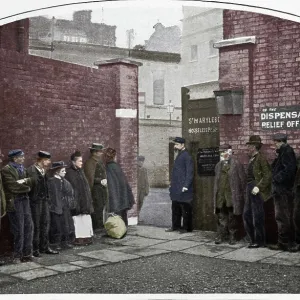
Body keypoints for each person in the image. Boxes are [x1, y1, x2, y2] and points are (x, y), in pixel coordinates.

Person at [1, 149, 34, 263]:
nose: (24, 158)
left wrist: (25, 182)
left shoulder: (22, 169)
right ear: (15, 158)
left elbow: (32, 181)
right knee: (18, 229)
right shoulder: (6, 170)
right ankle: (17, 255)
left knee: (28, 227)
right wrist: (27, 186)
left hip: (25, 200)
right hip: (15, 202)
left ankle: (27, 254)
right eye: (21, 156)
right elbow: (13, 187)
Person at [269, 133, 298, 252]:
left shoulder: (287, 151)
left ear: (281, 142)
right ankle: (283, 242)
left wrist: (276, 178)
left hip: (283, 191)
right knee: (281, 216)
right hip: (281, 191)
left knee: (282, 217)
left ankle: (286, 243)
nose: (274, 144)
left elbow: (290, 170)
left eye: (276, 142)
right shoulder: (283, 152)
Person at [27, 151, 58, 257]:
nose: (49, 162)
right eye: (48, 160)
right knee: (36, 225)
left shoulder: (44, 170)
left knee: (45, 224)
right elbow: (32, 186)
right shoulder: (32, 170)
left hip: (43, 201)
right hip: (35, 202)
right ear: (42, 160)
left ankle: (44, 247)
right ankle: (35, 249)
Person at [213, 144, 246, 245]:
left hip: (232, 196)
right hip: (221, 196)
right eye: (221, 152)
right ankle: (221, 235)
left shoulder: (236, 164)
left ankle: (233, 236)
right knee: (221, 216)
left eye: (225, 151)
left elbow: (243, 181)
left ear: (230, 152)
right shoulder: (218, 165)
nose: (223, 154)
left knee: (232, 217)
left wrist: (242, 195)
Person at [243, 136, 272, 248]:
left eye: (249, 146)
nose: (248, 148)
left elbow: (268, 175)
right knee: (247, 215)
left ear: (254, 147)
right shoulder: (252, 158)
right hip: (249, 188)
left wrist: (258, 187)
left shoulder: (261, 158)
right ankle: (252, 239)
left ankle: (259, 241)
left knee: (257, 216)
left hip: (256, 189)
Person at [65, 150, 94, 245]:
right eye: (80, 161)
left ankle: (86, 237)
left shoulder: (81, 172)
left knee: (85, 219)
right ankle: (78, 239)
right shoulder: (70, 173)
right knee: (77, 220)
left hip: (84, 201)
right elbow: (73, 189)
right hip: (77, 202)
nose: (82, 163)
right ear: (73, 162)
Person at [166, 137, 194, 234]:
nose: (175, 146)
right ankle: (175, 226)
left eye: (177, 144)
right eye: (175, 144)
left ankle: (186, 228)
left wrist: (186, 185)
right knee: (175, 207)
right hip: (176, 187)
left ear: (183, 145)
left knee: (185, 208)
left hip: (183, 188)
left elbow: (189, 173)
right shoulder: (179, 155)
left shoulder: (186, 156)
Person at [104, 148, 135, 227]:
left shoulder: (108, 168)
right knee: (123, 216)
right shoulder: (117, 167)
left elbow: (111, 185)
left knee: (118, 219)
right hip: (123, 197)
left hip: (117, 198)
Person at [48, 161, 75, 250]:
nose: (65, 172)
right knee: (57, 226)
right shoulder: (51, 181)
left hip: (64, 206)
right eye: (62, 171)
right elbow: (52, 196)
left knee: (66, 225)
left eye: (64, 171)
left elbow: (69, 191)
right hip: (56, 207)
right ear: (57, 172)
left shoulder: (64, 181)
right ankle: (56, 244)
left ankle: (65, 242)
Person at [83, 143, 108, 230]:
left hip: (101, 189)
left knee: (100, 208)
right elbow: (89, 178)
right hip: (95, 190)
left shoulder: (99, 161)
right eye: (99, 152)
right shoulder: (90, 162)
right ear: (94, 152)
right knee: (96, 209)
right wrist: (100, 181)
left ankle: (100, 226)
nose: (101, 153)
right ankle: (97, 228)